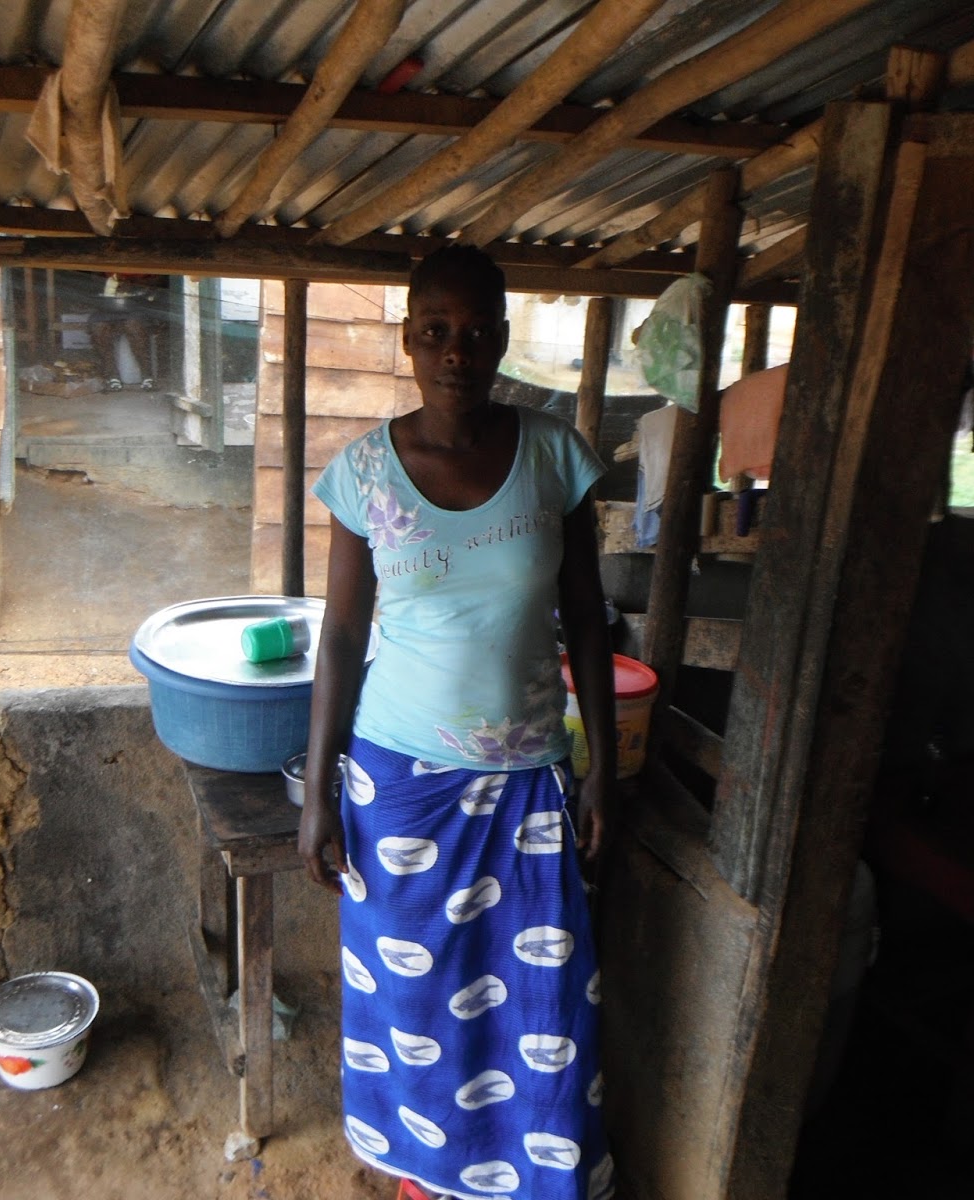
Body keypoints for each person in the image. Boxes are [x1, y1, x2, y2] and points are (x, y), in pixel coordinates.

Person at [300, 245, 618, 1200]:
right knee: (415, 1002)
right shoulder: (364, 472)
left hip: (529, 786)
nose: (456, 352)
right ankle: (427, 1174)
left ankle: (529, 1180)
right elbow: (341, 637)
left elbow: (588, 621)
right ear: (408, 339)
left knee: (543, 1008)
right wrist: (316, 796)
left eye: (477, 332)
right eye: (436, 331)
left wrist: (602, 768)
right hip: (401, 787)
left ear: (503, 340)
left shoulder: (554, 456)